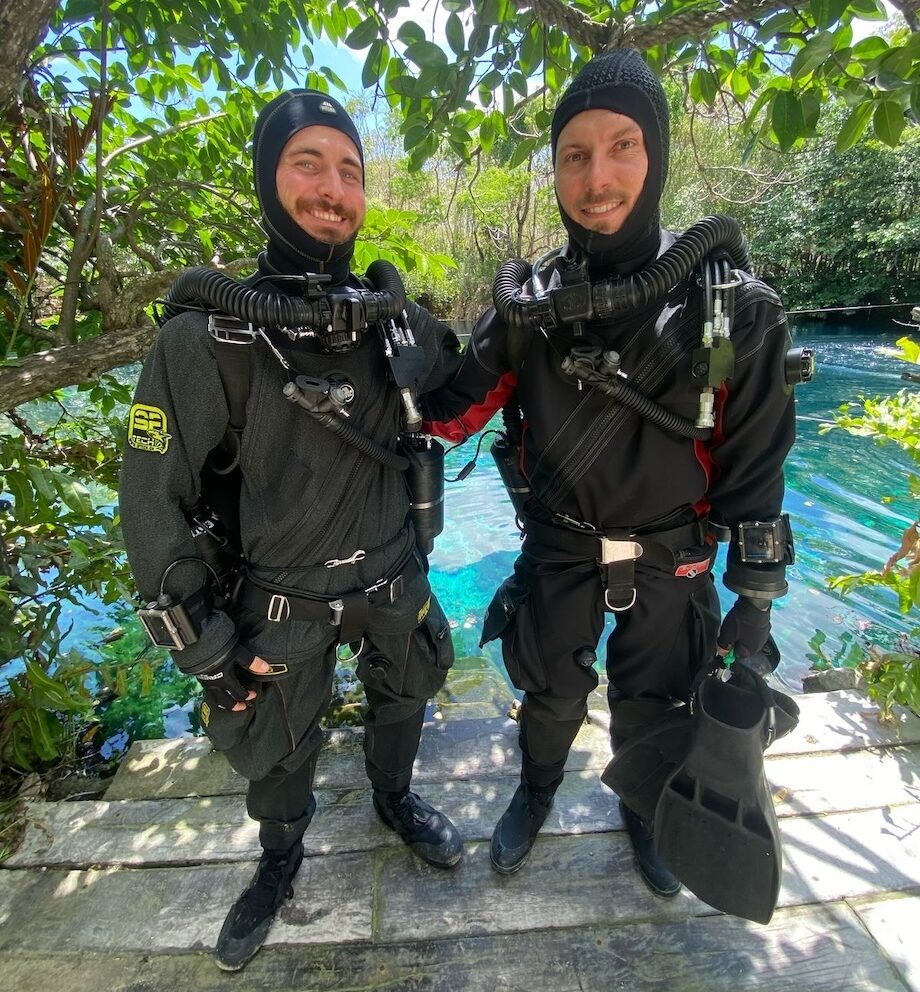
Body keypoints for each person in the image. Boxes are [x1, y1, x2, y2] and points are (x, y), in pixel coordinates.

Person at [423, 49, 798, 898]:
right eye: (574, 154)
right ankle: (538, 787)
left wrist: (756, 602)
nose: (599, 176)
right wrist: (400, 350)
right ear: (555, 170)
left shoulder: (732, 304)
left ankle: (644, 806)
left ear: (656, 153)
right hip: (560, 549)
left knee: (654, 698)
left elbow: (758, 472)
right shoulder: (528, 307)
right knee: (551, 690)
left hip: (680, 559)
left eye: (622, 144)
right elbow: (449, 414)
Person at [119, 90, 464, 972]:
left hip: (392, 576)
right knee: (273, 742)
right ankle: (279, 859)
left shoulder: (397, 324)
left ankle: (395, 799)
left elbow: (480, 390)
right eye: (308, 162)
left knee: (407, 694)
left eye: (349, 169)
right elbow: (150, 499)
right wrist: (205, 647)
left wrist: (454, 347)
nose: (332, 186)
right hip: (281, 597)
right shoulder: (207, 338)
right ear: (270, 180)